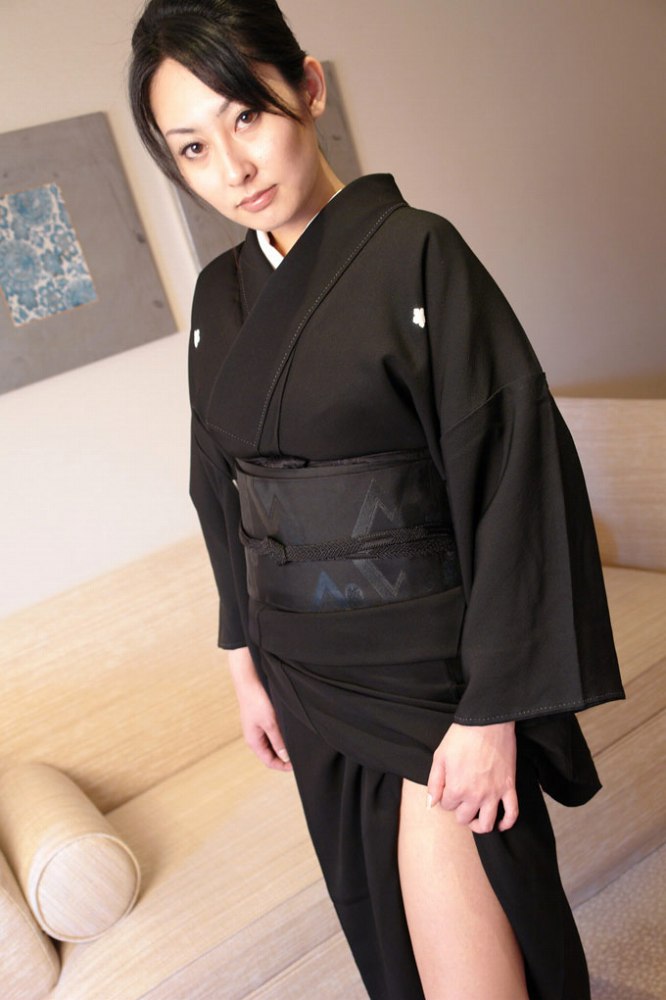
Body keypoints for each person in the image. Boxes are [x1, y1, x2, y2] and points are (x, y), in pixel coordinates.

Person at [129, 3, 625, 997]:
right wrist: (243, 663)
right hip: (305, 676)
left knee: (473, 964)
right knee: (393, 954)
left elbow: (514, 476)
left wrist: (492, 713)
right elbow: (216, 488)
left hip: (431, 681)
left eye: (246, 115)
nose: (232, 166)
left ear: (308, 88)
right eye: (193, 147)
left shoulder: (419, 255)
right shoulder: (219, 301)